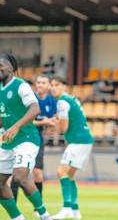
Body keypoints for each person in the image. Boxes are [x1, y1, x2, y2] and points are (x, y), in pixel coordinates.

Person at [0, 53, 52, 220]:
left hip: (27, 138)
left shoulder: (20, 85)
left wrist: (15, 127)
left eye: (3, 64)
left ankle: (44, 214)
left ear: (13, 69)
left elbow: (35, 109)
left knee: (20, 176)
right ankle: (17, 217)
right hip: (8, 141)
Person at [10, 74, 58, 216]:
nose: (40, 85)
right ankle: (15, 207)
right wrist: (45, 122)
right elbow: (26, 120)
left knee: (38, 175)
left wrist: (52, 124)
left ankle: (38, 208)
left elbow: (53, 123)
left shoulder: (52, 102)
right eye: (38, 82)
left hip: (38, 140)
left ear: (49, 85)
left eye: (43, 82)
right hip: (23, 139)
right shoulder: (30, 99)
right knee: (18, 174)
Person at [50, 76, 94, 220]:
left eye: (56, 85)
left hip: (78, 141)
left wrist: (55, 123)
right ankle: (75, 210)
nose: (53, 87)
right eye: (51, 85)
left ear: (64, 86)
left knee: (61, 172)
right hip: (85, 139)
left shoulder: (62, 102)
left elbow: (64, 128)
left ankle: (66, 208)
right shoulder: (72, 98)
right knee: (69, 175)